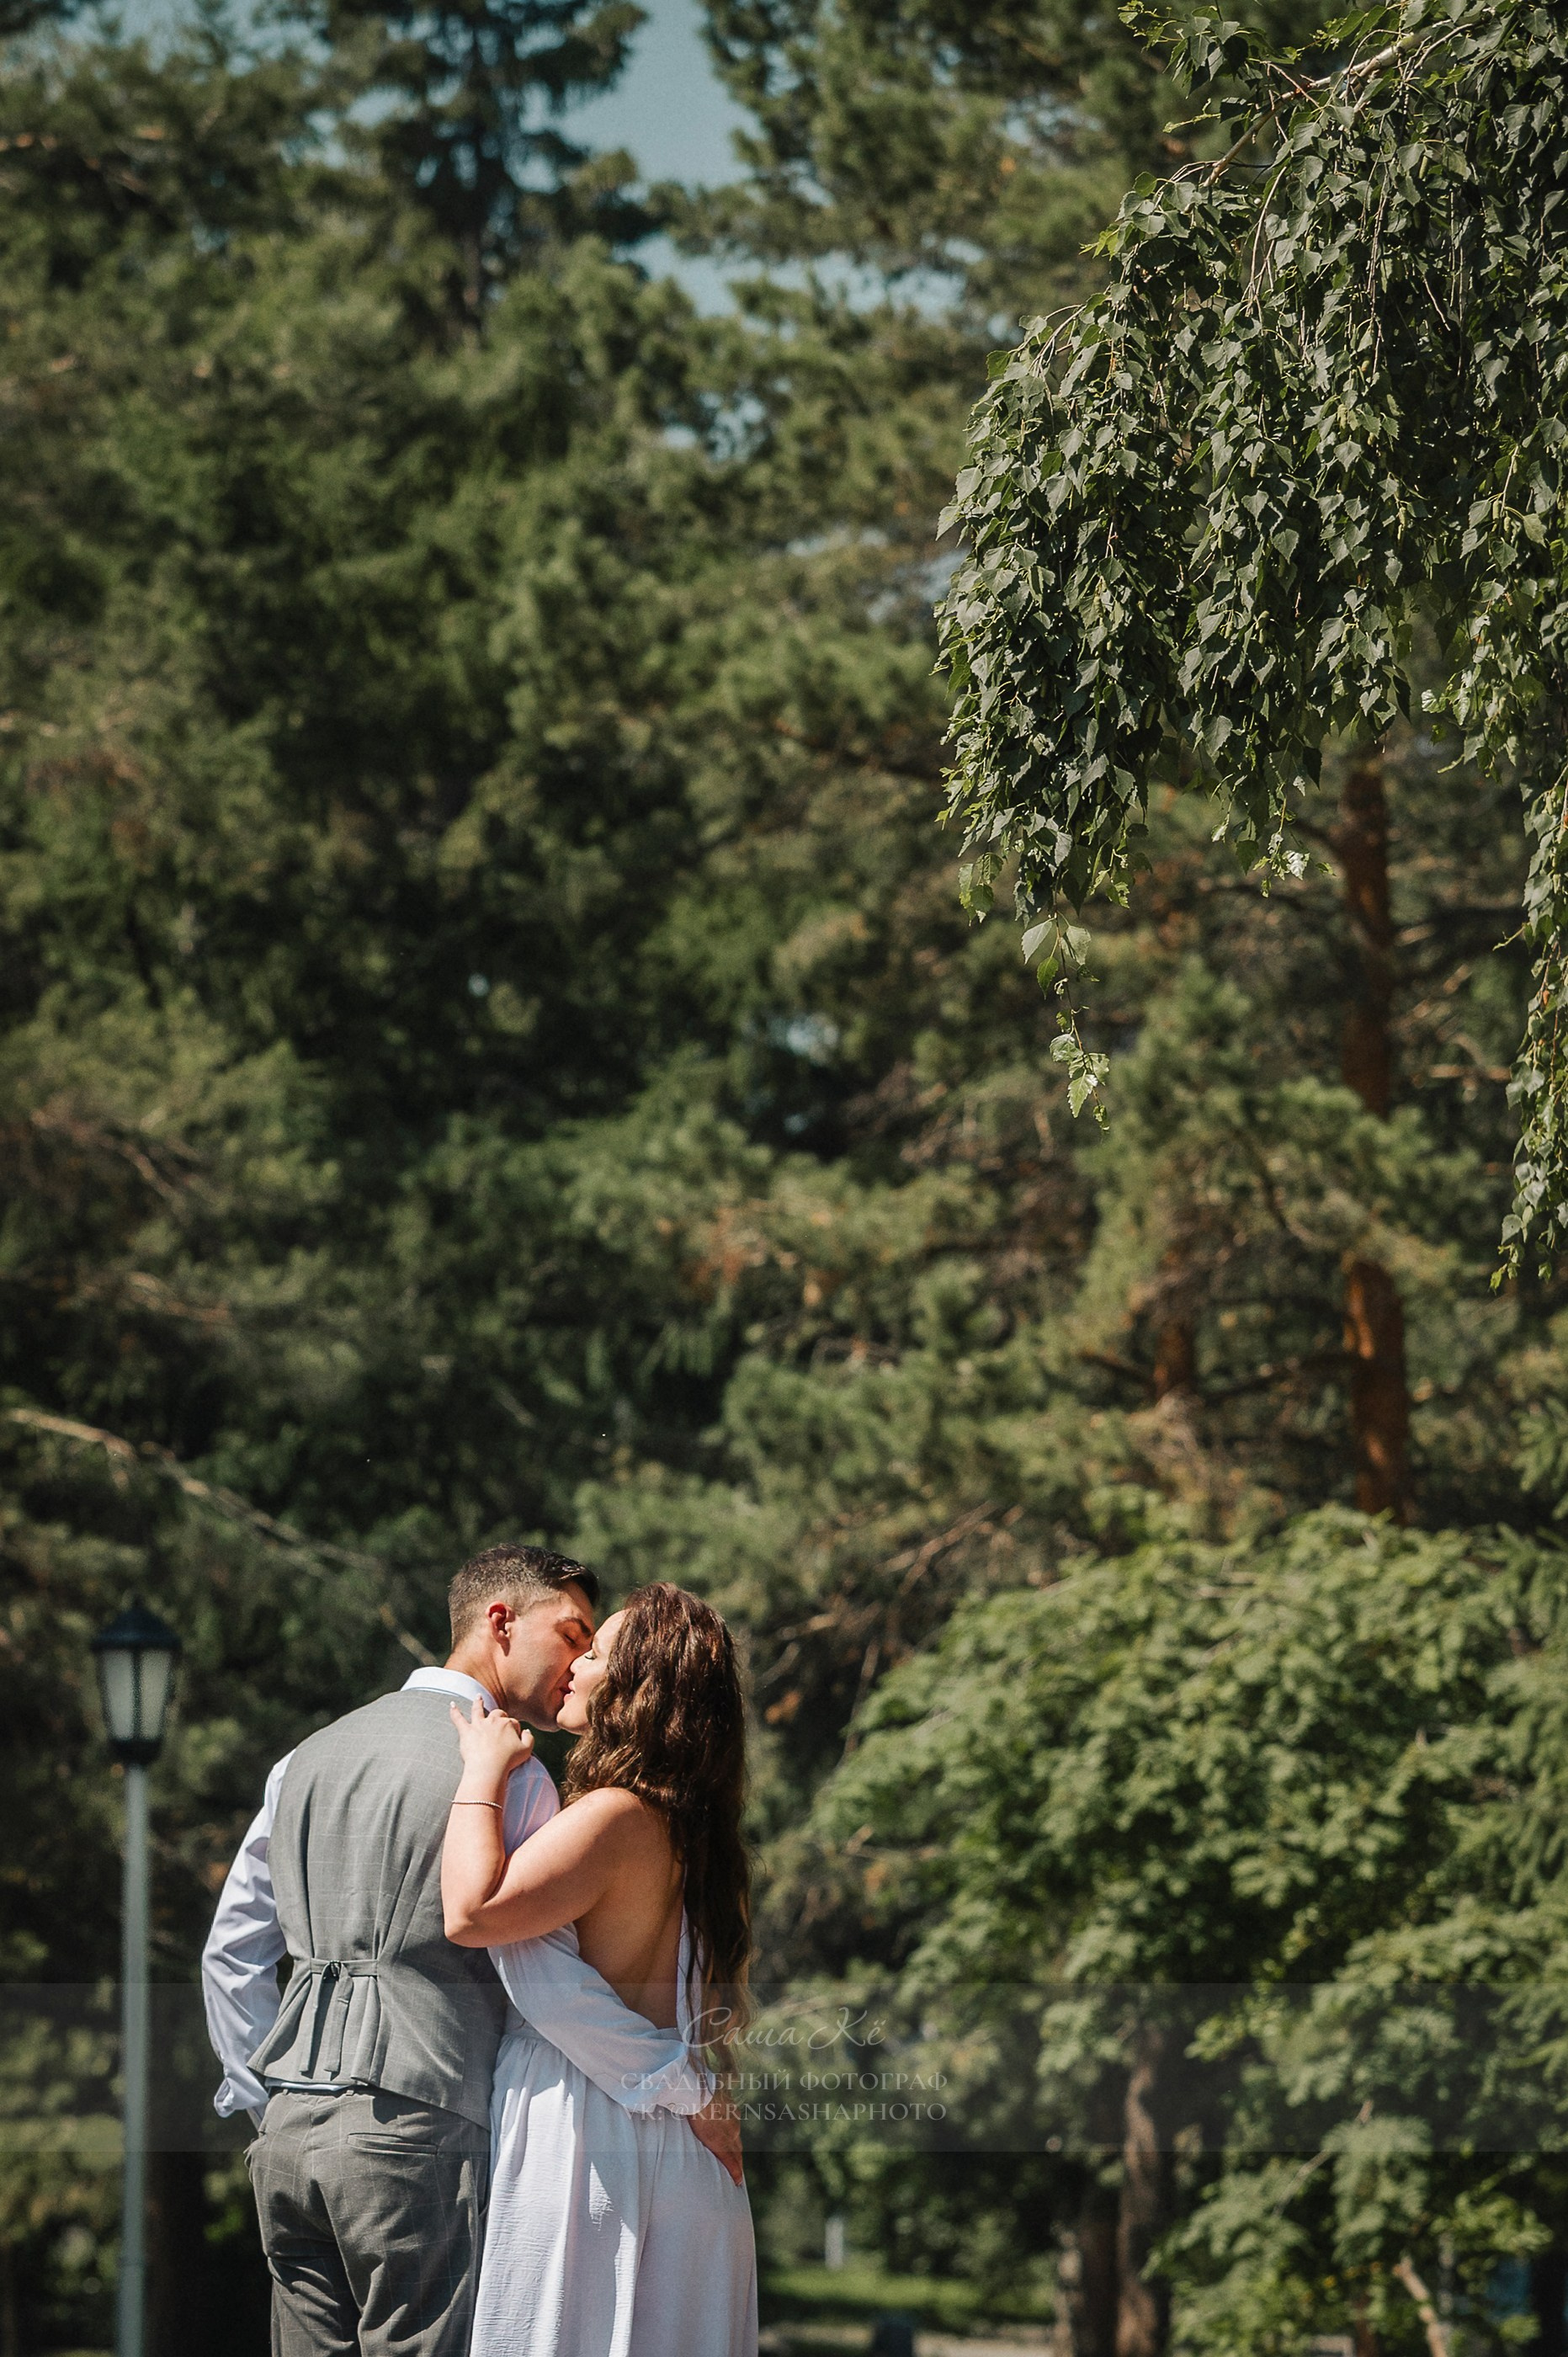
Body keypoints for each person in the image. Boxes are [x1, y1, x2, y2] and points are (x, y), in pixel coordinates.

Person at [200, 1545, 741, 2357]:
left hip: (288, 2139)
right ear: (500, 1623)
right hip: (425, 2133)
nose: (577, 1661)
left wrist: (267, 2101)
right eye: (573, 1635)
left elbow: (232, 1952)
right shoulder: (515, 1779)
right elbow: (544, 1972)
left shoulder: (302, 1759)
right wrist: (683, 2085)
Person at [442, 1579, 759, 2357]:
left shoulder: (615, 1816)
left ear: (638, 1686)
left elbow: (472, 1913)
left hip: (591, 2132)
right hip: (673, 2144)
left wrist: (483, 1769)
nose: (577, 1666)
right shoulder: (694, 1834)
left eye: (598, 1652)